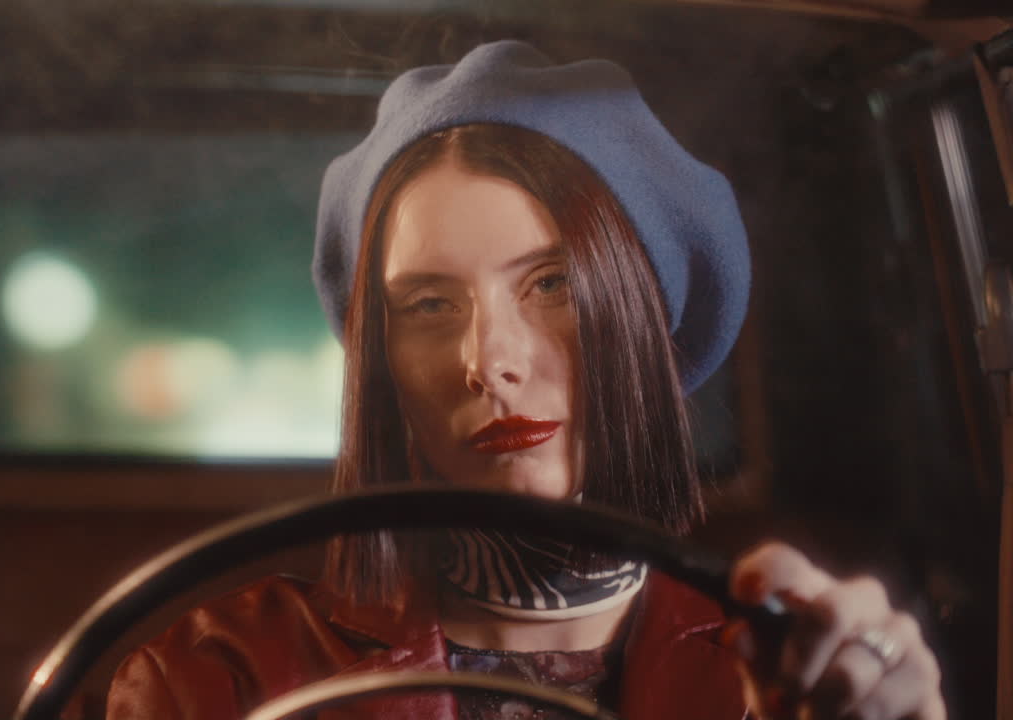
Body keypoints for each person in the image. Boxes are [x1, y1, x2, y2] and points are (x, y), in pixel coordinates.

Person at [108, 40, 944, 720]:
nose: (490, 360)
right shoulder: (216, 681)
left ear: (645, 323)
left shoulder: (791, 676)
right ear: (383, 365)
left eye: (553, 287)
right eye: (430, 304)